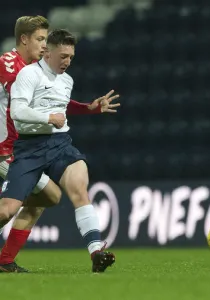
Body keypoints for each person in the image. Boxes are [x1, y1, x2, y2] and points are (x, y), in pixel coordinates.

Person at [0, 16, 119, 273]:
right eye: (40, 40)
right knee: (8, 209)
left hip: (55, 144)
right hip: (18, 149)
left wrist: (89, 109)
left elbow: (59, 105)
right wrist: (47, 117)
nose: (66, 61)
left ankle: (95, 251)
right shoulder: (20, 70)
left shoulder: (63, 79)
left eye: (70, 57)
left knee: (64, 192)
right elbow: (19, 109)